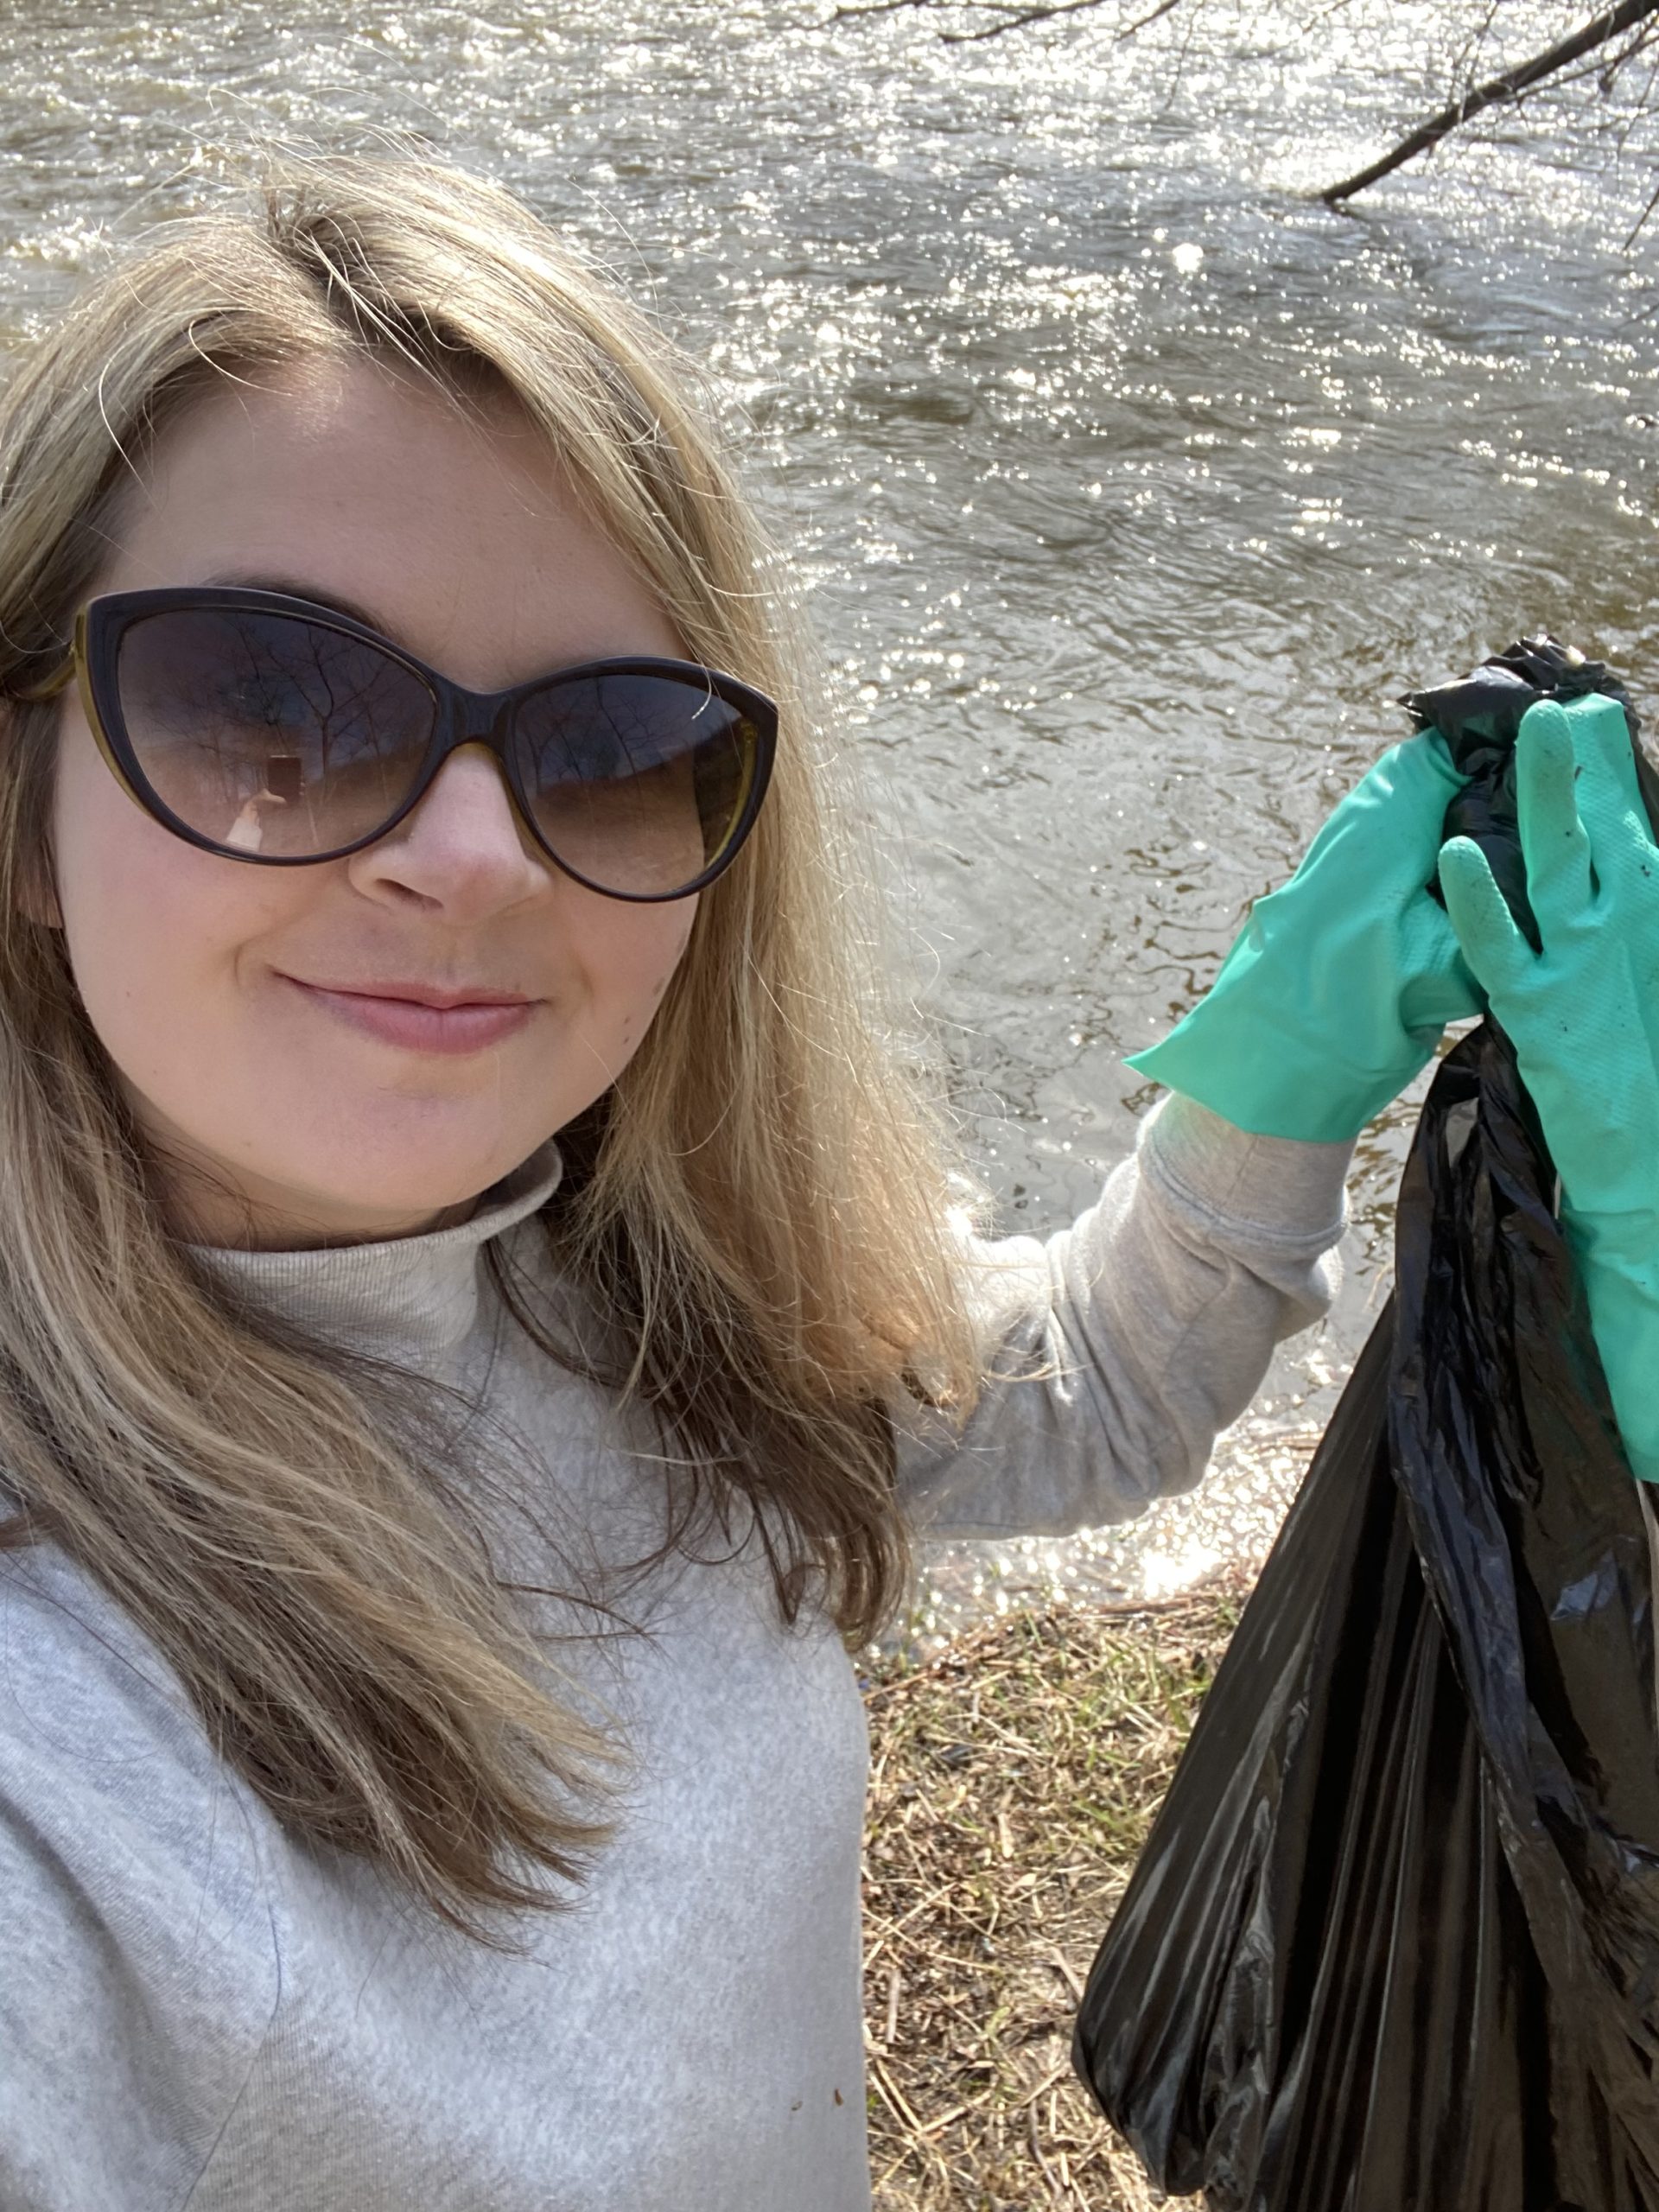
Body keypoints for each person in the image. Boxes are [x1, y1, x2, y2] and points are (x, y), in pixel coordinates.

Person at [0, 152, 1484, 2212]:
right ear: (22, 804)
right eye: (270, 706)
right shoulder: (48, 1756)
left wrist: (1286, 1063)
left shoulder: (630, 1274)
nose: (479, 854)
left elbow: (1075, 1393)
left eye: (607, 736)